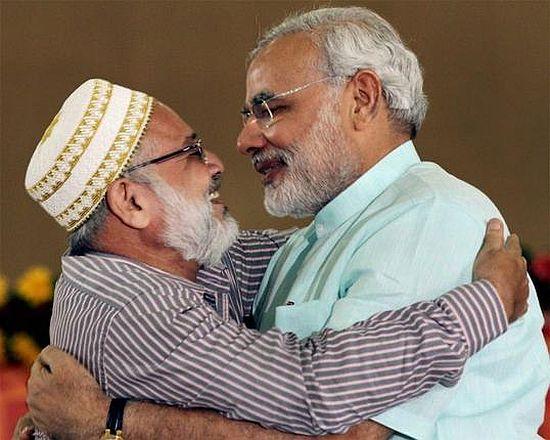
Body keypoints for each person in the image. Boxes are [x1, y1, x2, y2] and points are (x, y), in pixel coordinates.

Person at [18, 75, 527, 440]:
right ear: (132, 202)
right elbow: (312, 389)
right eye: (191, 153)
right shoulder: (140, 314)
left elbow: (316, 245)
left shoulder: (175, 261)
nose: (219, 160)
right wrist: (487, 303)